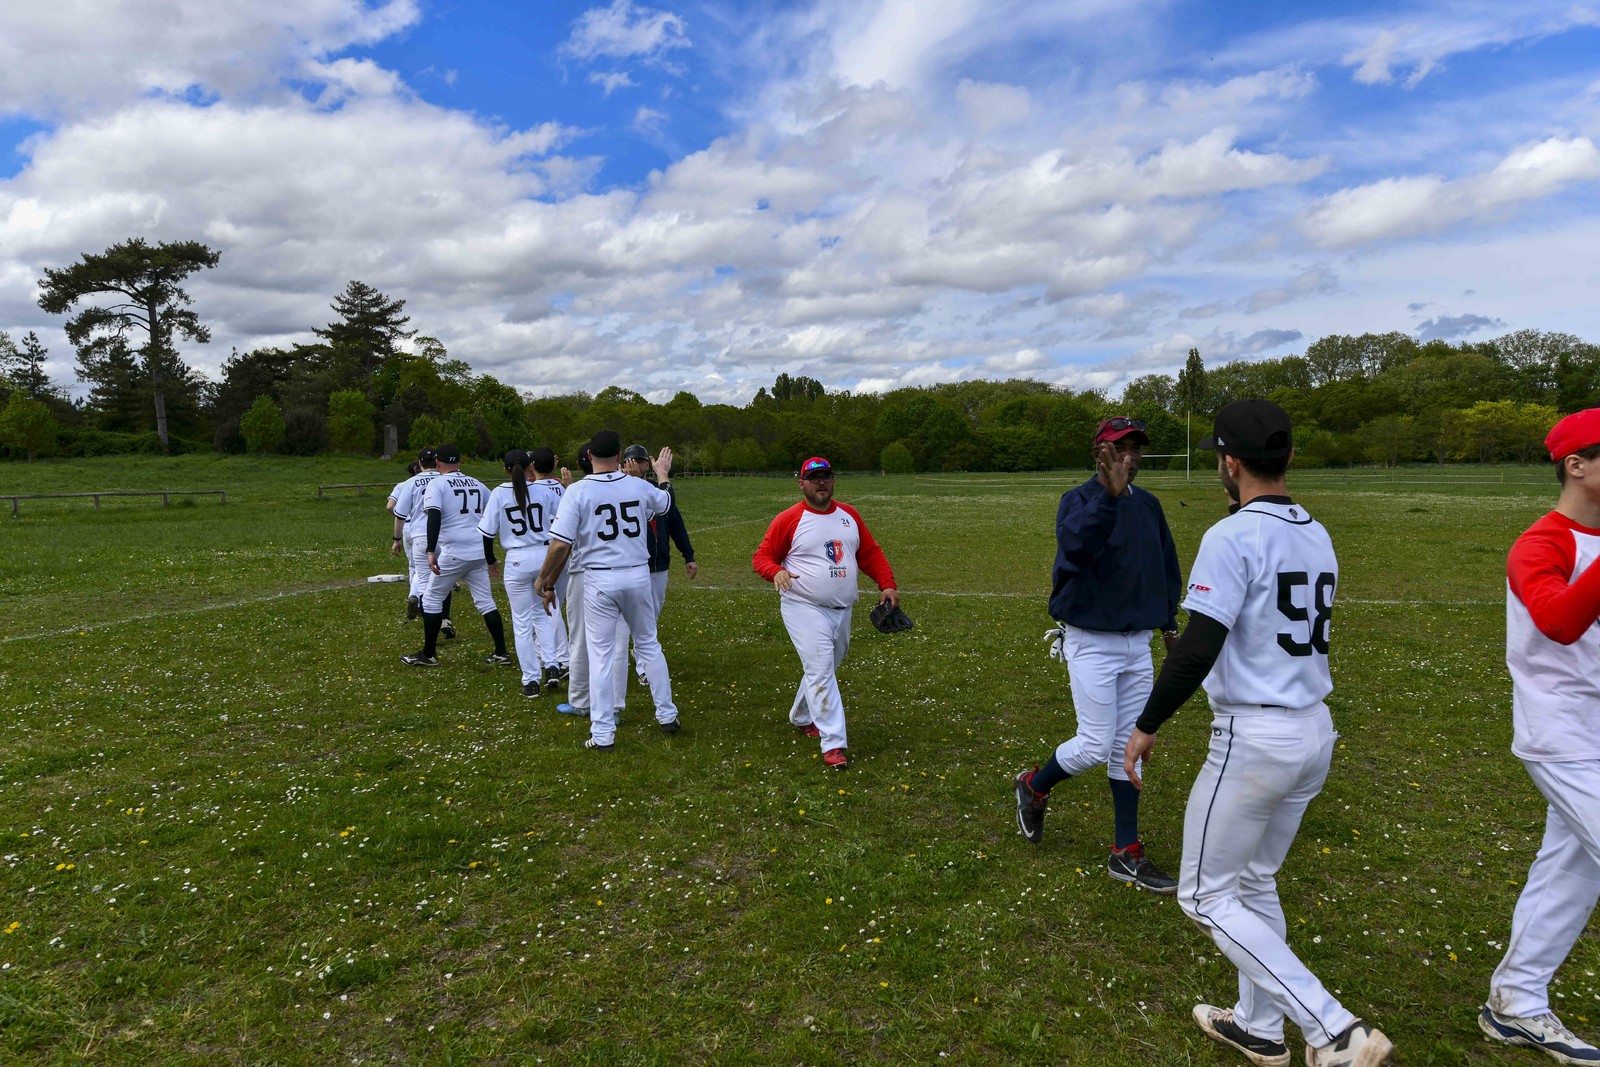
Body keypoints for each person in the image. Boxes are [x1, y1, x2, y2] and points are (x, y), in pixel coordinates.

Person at [1121, 400, 1393, 1067]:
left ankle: (1332, 1027)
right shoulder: (1316, 531)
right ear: (1290, 457)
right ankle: (1258, 1025)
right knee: (1252, 878)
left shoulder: (1232, 534)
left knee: (1204, 894)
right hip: (1313, 733)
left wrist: (1146, 724)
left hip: (1255, 738)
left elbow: (1196, 648)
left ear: (1229, 462)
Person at [1013, 415, 1182, 894]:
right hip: (1091, 641)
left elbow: (1164, 567)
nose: (1131, 455)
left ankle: (1125, 852)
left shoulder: (1148, 505)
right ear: (1100, 453)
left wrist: (1168, 620)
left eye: (1136, 447)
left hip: (1138, 643)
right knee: (1093, 744)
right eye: (1120, 446)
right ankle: (1034, 784)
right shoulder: (1080, 501)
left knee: (1130, 749)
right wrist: (1107, 500)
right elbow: (1074, 549)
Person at [1481, 407, 1600, 1065]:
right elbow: (1557, 620)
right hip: (1562, 737)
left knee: (1571, 873)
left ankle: (1516, 1001)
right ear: (1575, 465)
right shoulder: (1540, 544)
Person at [535, 430, 680, 750]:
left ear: (589, 458)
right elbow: (665, 503)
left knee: (599, 656)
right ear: (620, 457)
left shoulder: (576, 491)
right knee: (648, 645)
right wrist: (663, 475)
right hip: (638, 574)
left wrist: (544, 578)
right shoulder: (640, 485)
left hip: (598, 579)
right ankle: (667, 715)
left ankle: (602, 734)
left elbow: (560, 544)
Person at [751, 456, 898, 769]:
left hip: (842, 609)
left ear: (833, 480)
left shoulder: (849, 515)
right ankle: (833, 744)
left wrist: (887, 584)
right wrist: (775, 571)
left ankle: (802, 715)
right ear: (801, 483)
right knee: (820, 669)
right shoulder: (789, 519)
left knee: (825, 669)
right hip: (803, 605)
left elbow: (869, 553)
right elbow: (762, 557)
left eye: (826, 476)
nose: (821, 482)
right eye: (814, 477)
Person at [400, 443, 510, 668]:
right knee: (485, 601)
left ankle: (428, 654)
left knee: (430, 599)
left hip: (454, 551)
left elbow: (434, 516)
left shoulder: (437, 483)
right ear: (459, 462)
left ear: (438, 462)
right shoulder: (477, 484)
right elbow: (493, 511)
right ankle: (501, 652)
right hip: (478, 550)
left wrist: (431, 550)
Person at [478, 448, 566, 698]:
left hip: (517, 559)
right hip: (544, 555)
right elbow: (563, 521)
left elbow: (486, 533)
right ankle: (551, 665)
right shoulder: (545, 490)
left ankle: (531, 680)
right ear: (530, 466)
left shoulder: (498, 494)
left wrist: (491, 560)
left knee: (522, 621)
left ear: (506, 469)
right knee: (543, 613)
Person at [622, 442, 697, 686]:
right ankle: (641, 666)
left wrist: (688, 555)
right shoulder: (617, 492)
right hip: (630, 565)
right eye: (631, 461)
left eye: (640, 461)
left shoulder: (658, 492)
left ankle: (640, 655)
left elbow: (676, 523)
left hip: (658, 564)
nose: (636, 465)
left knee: (651, 615)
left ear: (647, 465)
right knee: (628, 620)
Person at [389, 447, 454, 637]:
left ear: (419, 463)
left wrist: (396, 539)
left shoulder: (410, 483)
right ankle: (445, 618)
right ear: (437, 462)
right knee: (446, 580)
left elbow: (397, 513)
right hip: (445, 536)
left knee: (424, 583)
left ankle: (430, 631)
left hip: (420, 535)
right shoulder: (445, 480)